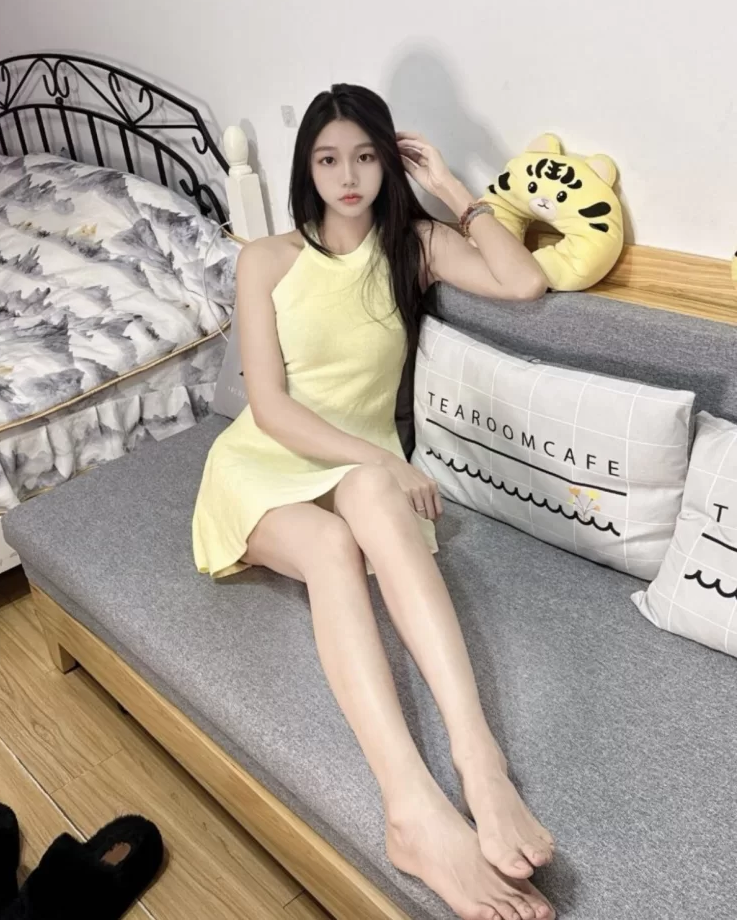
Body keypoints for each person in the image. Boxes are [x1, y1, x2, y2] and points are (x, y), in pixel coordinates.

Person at [193, 84, 555, 920]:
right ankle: (411, 809)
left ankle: (480, 761)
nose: (348, 176)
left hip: (356, 467)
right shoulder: (267, 259)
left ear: (389, 161)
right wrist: (383, 461)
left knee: (369, 499)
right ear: (306, 168)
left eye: (365, 156)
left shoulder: (414, 246)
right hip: (263, 464)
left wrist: (454, 190)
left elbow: (524, 282)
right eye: (329, 159)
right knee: (333, 547)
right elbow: (271, 407)